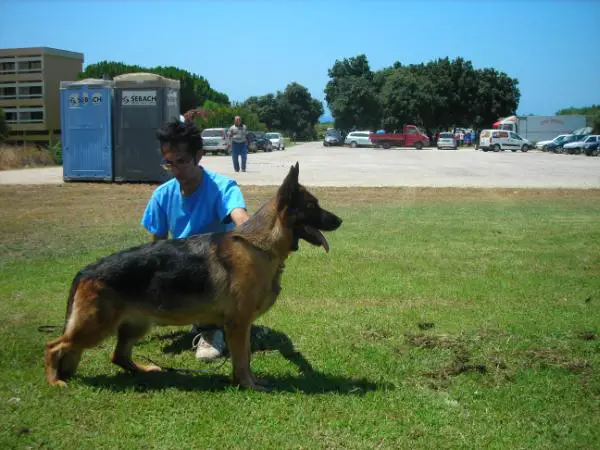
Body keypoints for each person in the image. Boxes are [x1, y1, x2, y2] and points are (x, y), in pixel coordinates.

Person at [141, 119, 250, 360]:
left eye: (182, 161)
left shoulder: (223, 188)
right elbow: (157, 248)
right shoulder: (162, 195)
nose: (176, 170)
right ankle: (201, 319)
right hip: (182, 269)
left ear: (199, 156)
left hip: (219, 270)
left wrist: (251, 230)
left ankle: (211, 330)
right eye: (169, 163)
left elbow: (239, 216)